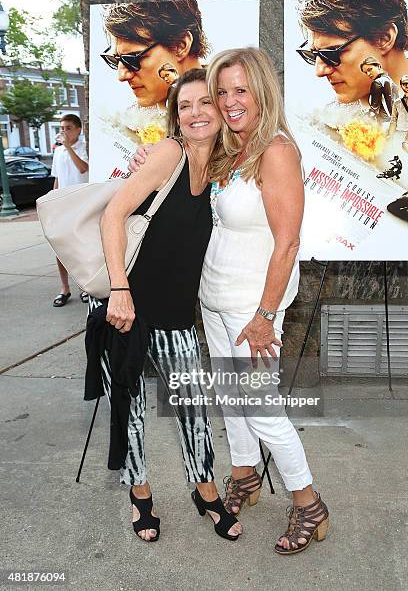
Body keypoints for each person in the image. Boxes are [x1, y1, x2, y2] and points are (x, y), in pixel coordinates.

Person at [130, 49, 329, 555]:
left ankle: (308, 502)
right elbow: (180, 172)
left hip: (250, 308)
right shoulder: (229, 147)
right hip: (214, 299)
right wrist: (144, 160)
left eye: (240, 90)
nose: (228, 101)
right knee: (233, 403)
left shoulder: (276, 151)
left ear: (262, 91)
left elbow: (287, 242)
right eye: (223, 91)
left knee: (261, 410)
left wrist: (265, 316)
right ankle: (244, 477)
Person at [91, 68, 241, 543]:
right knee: (129, 410)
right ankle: (140, 495)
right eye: (184, 106)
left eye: (204, 103)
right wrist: (119, 289)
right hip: (126, 312)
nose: (195, 113)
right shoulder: (170, 153)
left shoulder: (221, 167)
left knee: (193, 408)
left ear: (221, 109)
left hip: (177, 317)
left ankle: (206, 491)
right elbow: (114, 214)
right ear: (175, 118)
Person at [297, 0, 408, 111]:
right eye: (314, 55)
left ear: (384, 39)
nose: (319, 71)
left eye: (331, 54)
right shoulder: (330, 118)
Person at [101, 1, 210, 109]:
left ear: (181, 46)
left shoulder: (223, 109)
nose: (122, 76)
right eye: (115, 60)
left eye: (132, 59)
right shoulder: (130, 121)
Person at [51, 114, 89, 307]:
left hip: (81, 204)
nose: (63, 132)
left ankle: (84, 287)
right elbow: (57, 179)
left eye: (68, 128)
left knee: (80, 248)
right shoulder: (58, 152)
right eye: (62, 128)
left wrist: (67, 147)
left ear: (78, 130)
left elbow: (83, 169)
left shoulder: (84, 148)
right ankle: (64, 288)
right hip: (62, 205)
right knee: (60, 249)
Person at [360, 56, 398, 121]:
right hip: (397, 122)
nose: (368, 74)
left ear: (379, 66)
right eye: (366, 72)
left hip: (385, 124)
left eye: (370, 69)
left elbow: (373, 111)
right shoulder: (389, 80)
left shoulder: (377, 83)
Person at [388, 75, 408, 150]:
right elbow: (393, 120)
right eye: (404, 84)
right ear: (401, 86)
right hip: (399, 132)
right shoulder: (397, 102)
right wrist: (390, 135)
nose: (407, 86)